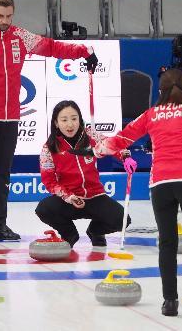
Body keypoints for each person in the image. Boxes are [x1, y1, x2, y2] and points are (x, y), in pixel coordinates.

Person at [71, 69, 182, 319]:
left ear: (160, 91)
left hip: (160, 183)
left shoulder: (151, 114)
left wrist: (93, 152)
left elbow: (121, 139)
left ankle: (169, 302)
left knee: (167, 242)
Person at [0, 0, 99, 243]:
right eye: (0, 16)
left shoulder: (20, 36)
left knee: (4, 173)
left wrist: (83, 51)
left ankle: (0, 224)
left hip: (11, 117)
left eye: (9, 16)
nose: (5, 20)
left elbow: (53, 47)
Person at [35, 100, 136, 248]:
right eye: (64, 120)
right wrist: (68, 196)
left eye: (74, 118)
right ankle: (69, 233)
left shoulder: (90, 135)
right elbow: (49, 181)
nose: (70, 124)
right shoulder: (49, 148)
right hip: (70, 199)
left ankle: (95, 231)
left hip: (95, 196)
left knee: (122, 220)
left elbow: (112, 145)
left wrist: (125, 157)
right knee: (44, 209)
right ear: (56, 123)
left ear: (80, 119)